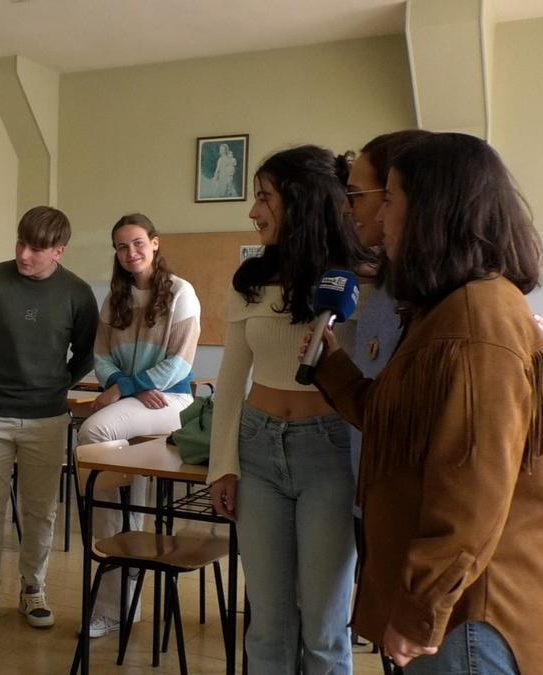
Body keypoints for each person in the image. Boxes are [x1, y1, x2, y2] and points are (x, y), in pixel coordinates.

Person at [311, 133, 543, 675]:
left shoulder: (477, 323)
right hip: (463, 610)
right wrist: (332, 366)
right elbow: (402, 428)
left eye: (390, 200)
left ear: (432, 210)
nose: (380, 219)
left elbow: (471, 495)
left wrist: (418, 611)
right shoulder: (449, 309)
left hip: (475, 614)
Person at [206, 146, 365, 673]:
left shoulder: (358, 278)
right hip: (257, 451)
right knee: (268, 627)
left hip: (330, 454)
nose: (254, 211)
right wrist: (221, 466)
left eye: (265, 197)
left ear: (303, 201)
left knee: (323, 630)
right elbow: (231, 381)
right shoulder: (251, 279)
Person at [0, 206, 99, 631]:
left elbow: (87, 352)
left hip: (47, 416)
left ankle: (33, 589)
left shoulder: (77, 294)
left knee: (41, 510)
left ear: (58, 251)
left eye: (36, 249)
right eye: (20, 243)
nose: (24, 254)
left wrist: (57, 383)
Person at [78, 212, 201, 638]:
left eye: (137, 243)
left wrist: (128, 387)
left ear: (154, 242)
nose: (130, 253)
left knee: (94, 431)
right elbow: (101, 357)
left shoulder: (181, 293)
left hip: (172, 399)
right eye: (120, 246)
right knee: (130, 484)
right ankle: (119, 599)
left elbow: (181, 362)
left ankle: (101, 518)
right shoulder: (115, 300)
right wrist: (123, 385)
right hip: (137, 398)